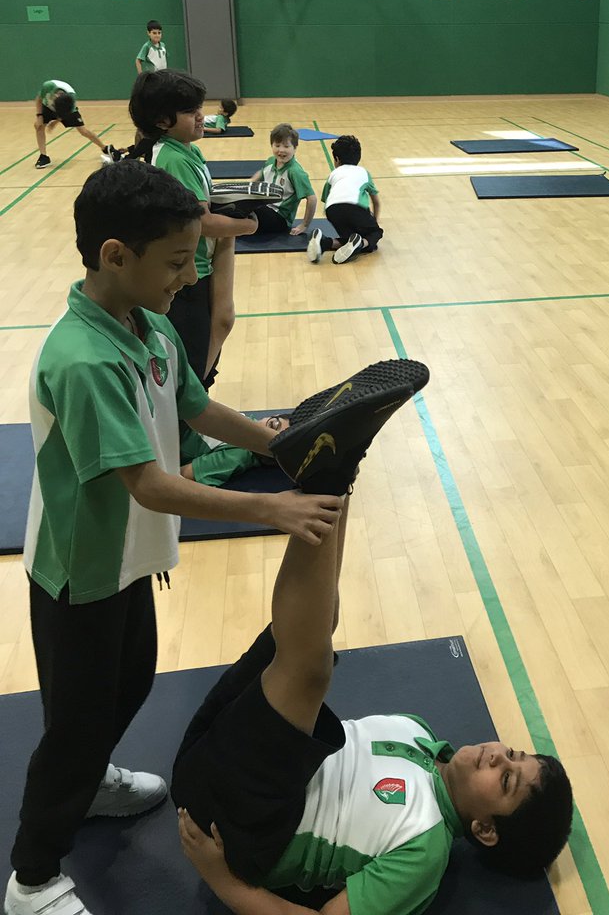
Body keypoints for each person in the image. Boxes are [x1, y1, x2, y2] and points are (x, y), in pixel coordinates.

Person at [4, 161, 344, 915]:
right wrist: (274, 510)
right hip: (79, 576)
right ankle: (30, 879)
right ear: (115, 255)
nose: (189, 277)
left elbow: (193, 407)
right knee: (74, 726)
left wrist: (269, 443)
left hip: (128, 560)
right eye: (175, 261)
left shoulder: (146, 325)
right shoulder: (84, 358)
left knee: (130, 685)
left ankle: (90, 782)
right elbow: (149, 484)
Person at [172, 366, 573, 915]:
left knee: (311, 668)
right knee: (320, 625)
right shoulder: (418, 733)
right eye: (516, 754)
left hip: (237, 827)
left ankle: (331, 473)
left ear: (483, 831)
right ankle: (342, 467)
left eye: (506, 778)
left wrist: (223, 882)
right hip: (221, 746)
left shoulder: (423, 851)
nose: (498, 754)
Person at [128, 69, 255, 387]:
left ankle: (197, 397)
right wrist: (246, 226)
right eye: (189, 111)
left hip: (197, 268)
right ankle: (192, 409)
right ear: (161, 121)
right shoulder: (175, 160)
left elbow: (205, 202)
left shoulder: (189, 152)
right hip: (190, 275)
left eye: (200, 108)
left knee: (211, 341)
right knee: (196, 360)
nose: (201, 117)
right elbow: (201, 221)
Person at [306, 135, 382, 265]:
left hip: (332, 210)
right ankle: (359, 244)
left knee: (349, 238)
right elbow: (376, 201)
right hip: (356, 208)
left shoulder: (333, 174)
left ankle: (325, 242)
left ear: (336, 159)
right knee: (375, 233)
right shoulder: (363, 172)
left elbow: (325, 198)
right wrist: (373, 220)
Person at [248, 124, 317, 237]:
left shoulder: (295, 172)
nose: (281, 150)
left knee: (247, 209)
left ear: (295, 148)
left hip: (279, 218)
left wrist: (304, 225)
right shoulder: (271, 161)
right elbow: (259, 175)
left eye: (286, 146)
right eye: (277, 145)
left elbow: (312, 199)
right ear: (272, 145)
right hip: (264, 209)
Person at [32, 80, 118, 171]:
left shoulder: (70, 99)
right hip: (47, 106)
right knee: (39, 126)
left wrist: (55, 123)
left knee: (83, 131)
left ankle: (104, 147)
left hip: (65, 110)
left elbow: (64, 113)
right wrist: (39, 116)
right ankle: (43, 156)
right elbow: (39, 98)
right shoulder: (48, 86)